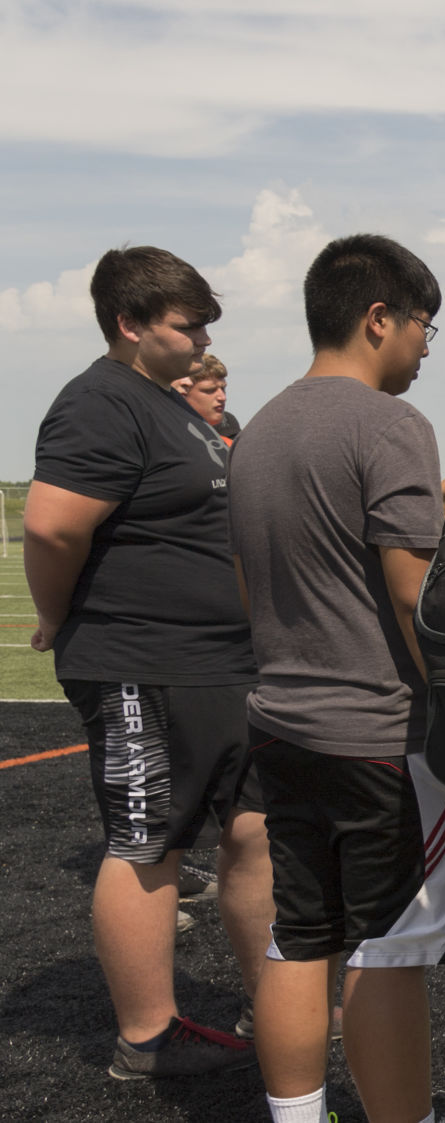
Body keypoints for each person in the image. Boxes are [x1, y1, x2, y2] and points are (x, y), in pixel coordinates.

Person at [230, 234, 445, 1123]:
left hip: (281, 721)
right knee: (389, 948)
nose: (421, 347)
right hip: (379, 733)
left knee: (299, 937)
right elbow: (414, 597)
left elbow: (251, 589)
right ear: (380, 318)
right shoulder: (391, 425)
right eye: (423, 327)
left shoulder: (256, 428)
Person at [24, 245, 269, 1079]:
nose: (202, 340)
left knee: (255, 833)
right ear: (128, 324)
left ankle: (274, 1000)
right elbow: (53, 526)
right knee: (146, 841)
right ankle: (147, 1037)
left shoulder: (167, 404)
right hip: (142, 658)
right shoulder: (98, 402)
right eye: (185, 324)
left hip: (218, 664)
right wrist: (57, 615)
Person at [176, 353, 238, 441]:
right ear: (183, 393)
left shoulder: (231, 428)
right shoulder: (168, 433)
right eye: (210, 390)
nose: (222, 397)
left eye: (223, 388)